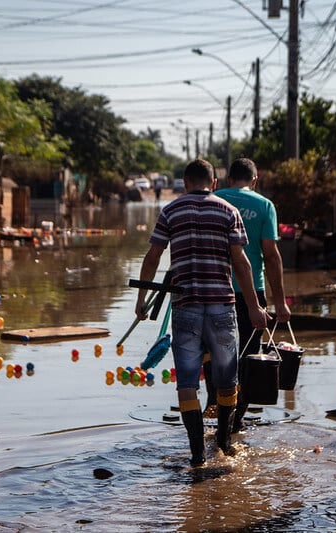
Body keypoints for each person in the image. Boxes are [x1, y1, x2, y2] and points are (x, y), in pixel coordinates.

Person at [134, 158, 269, 467]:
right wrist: (254, 307)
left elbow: (153, 255)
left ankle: (197, 454)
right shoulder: (228, 211)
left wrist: (142, 298)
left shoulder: (170, 211)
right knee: (227, 380)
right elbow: (242, 263)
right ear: (215, 183)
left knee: (187, 384)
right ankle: (223, 444)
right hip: (222, 306)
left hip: (186, 309)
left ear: (184, 182)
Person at [205, 157, 291, 433]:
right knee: (248, 357)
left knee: (215, 352)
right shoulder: (265, 205)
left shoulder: (214, 199)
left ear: (229, 179)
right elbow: (271, 255)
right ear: (255, 180)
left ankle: (215, 405)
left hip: (213, 290)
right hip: (251, 293)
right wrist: (280, 303)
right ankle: (235, 420)